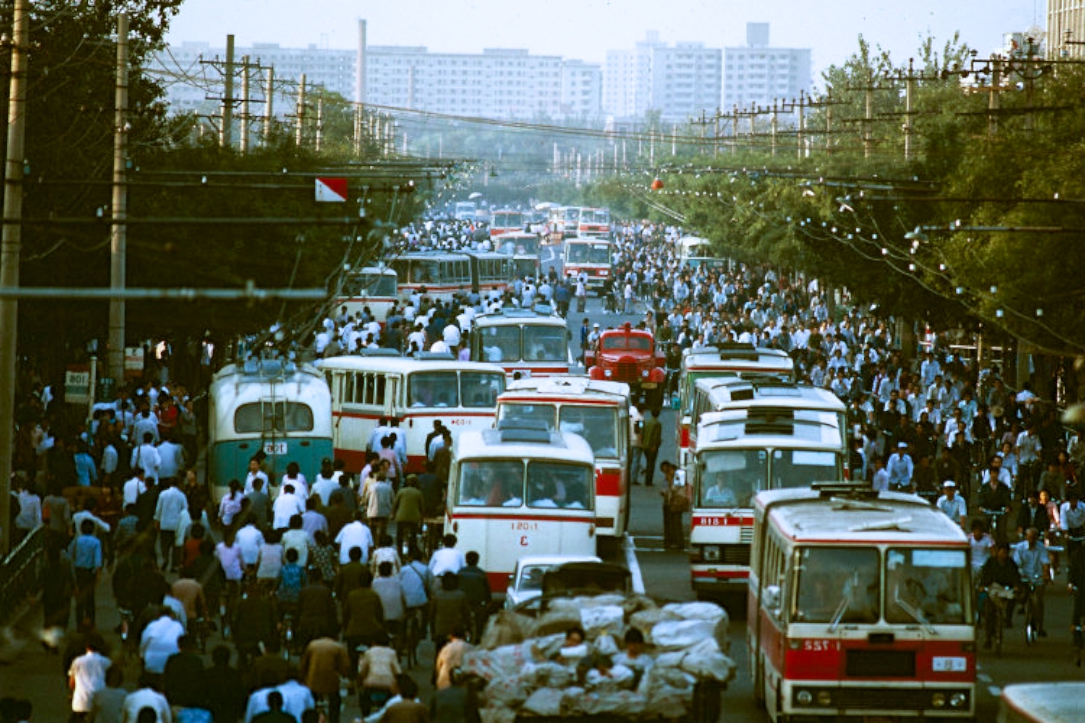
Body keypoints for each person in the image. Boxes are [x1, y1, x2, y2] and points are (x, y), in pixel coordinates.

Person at [978, 543, 1021, 649]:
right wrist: (983, 586)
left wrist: (1016, 586)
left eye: (1005, 552)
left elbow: (1015, 576)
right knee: (989, 613)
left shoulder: (1010, 563)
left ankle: (1008, 618)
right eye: (1002, 552)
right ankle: (988, 638)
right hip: (993, 588)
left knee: (1012, 599)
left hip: (1006, 589)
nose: (1003, 555)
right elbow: (984, 575)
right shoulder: (990, 562)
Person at [299, 635, 351, 723]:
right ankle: (334, 720)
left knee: (311, 701)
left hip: (312, 681)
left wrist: (301, 678)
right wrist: (345, 675)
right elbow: (345, 666)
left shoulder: (312, 645)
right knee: (335, 701)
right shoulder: (338, 647)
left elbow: (304, 664)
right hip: (331, 682)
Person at [1012, 527, 1050, 637]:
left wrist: (1046, 574)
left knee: (1038, 602)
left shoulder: (1041, 547)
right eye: (1029, 537)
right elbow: (1016, 563)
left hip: (1037, 577)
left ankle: (1040, 627)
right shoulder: (1020, 547)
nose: (1031, 540)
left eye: (1033, 538)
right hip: (1023, 576)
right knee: (1018, 594)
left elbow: (1045, 562)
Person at [69, 634, 112, 722]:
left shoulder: (78, 661)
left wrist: (71, 693)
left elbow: (72, 682)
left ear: (87, 647)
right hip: (100, 700)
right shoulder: (106, 662)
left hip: (81, 701)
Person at [357, 631, 401, 716]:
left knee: (363, 694)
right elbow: (398, 672)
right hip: (388, 685)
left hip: (371, 684)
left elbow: (362, 671)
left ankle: (365, 717)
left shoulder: (369, 652)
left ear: (373, 641)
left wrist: (360, 680)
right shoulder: (392, 652)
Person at [69, 519, 104, 627]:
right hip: (90, 572)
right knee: (90, 598)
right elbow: (97, 561)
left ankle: (79, 622)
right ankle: (91, 621)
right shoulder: (96, 542)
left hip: (78, 571)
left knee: (79, 597)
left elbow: (70, 554)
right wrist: (98, 575)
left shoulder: (76, 541)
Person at [202, 646, 245, 723]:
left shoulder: (207, 674)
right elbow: (240, 694)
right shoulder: (235, 675)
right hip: (230, 710)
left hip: (213, 709)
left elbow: (203, 693)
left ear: (213, 658)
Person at [458, 552, 492, 642]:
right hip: (478, 602)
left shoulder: (460, 572)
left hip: (464, 602)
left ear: (466, 560)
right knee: (480, 620)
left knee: (463, 619)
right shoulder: (481, 573)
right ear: (477, 561)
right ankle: (478, 636)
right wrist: (488, 601)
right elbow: (487, 589)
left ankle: (465, 633)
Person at [660, 461, 688, 550]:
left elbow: (674, 488)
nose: (667, 473)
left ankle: (678, 542)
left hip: (677, 503)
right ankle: (672, 541)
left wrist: (669, 482)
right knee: (671, 523)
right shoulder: (669, 477)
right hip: (670, 502)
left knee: (676, 523)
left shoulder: (678, 476)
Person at [434, 625, 471, 691]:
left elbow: (438, 666)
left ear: (451, 636)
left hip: (444, 684)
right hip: (464, 687)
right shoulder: (471, 648)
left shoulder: (446, 648)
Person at [641, 410, 662, 486]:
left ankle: (647, 479)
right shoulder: (657, 424)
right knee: (651, 463)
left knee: (648, 462)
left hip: (645, 445)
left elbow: (642, 432)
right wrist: (655, 445)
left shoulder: (646, 422)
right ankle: (648, 480)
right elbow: (656, 436)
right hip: (652, 446)